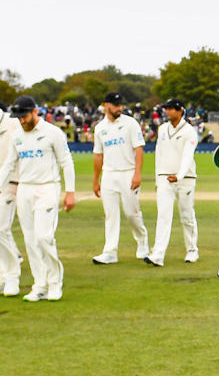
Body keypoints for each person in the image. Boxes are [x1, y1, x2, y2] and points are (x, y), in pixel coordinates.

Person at [0, 95, 75, 301]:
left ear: (34, 112)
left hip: (48, 188)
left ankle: (54, 283)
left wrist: (70, 192)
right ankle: (39, 285)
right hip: (25, 189)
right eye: (18, 117)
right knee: (31, 240)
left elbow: (66, 162)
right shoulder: (17, 135)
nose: (22, 121)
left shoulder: (53, 133)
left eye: (24, 116)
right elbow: (9, 165)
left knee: (44, 237)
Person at [91, 92, 150, 264]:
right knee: (111, 214)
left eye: (120, 105)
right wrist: (96, 180)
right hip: (109, 174)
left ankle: (142, 242)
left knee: (132, 213)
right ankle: (110, 251)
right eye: (116, 105)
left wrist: (137, 173)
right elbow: (98, 155)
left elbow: (139, 149)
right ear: (106, 105)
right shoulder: (100, 128)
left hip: (128, 172)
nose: (119, 108)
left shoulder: (130, 123)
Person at [145, 98, 199, 266]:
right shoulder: (162, 129)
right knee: (163, 216)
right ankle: (158, 254)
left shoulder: (189, 131)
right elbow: (158, 154)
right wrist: (157, 178)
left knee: (186, 216)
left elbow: (187, 156)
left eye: (171, 109)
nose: (167, 112)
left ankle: (192, 250)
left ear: (180, 110)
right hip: (164, 178)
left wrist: (179, 175)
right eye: (166, 109)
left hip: (185, 179)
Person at [0, 100, 24, 296]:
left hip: (15, 183)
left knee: (1, 228)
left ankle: (12, 276)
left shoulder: (14, 123)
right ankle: (6, 272)